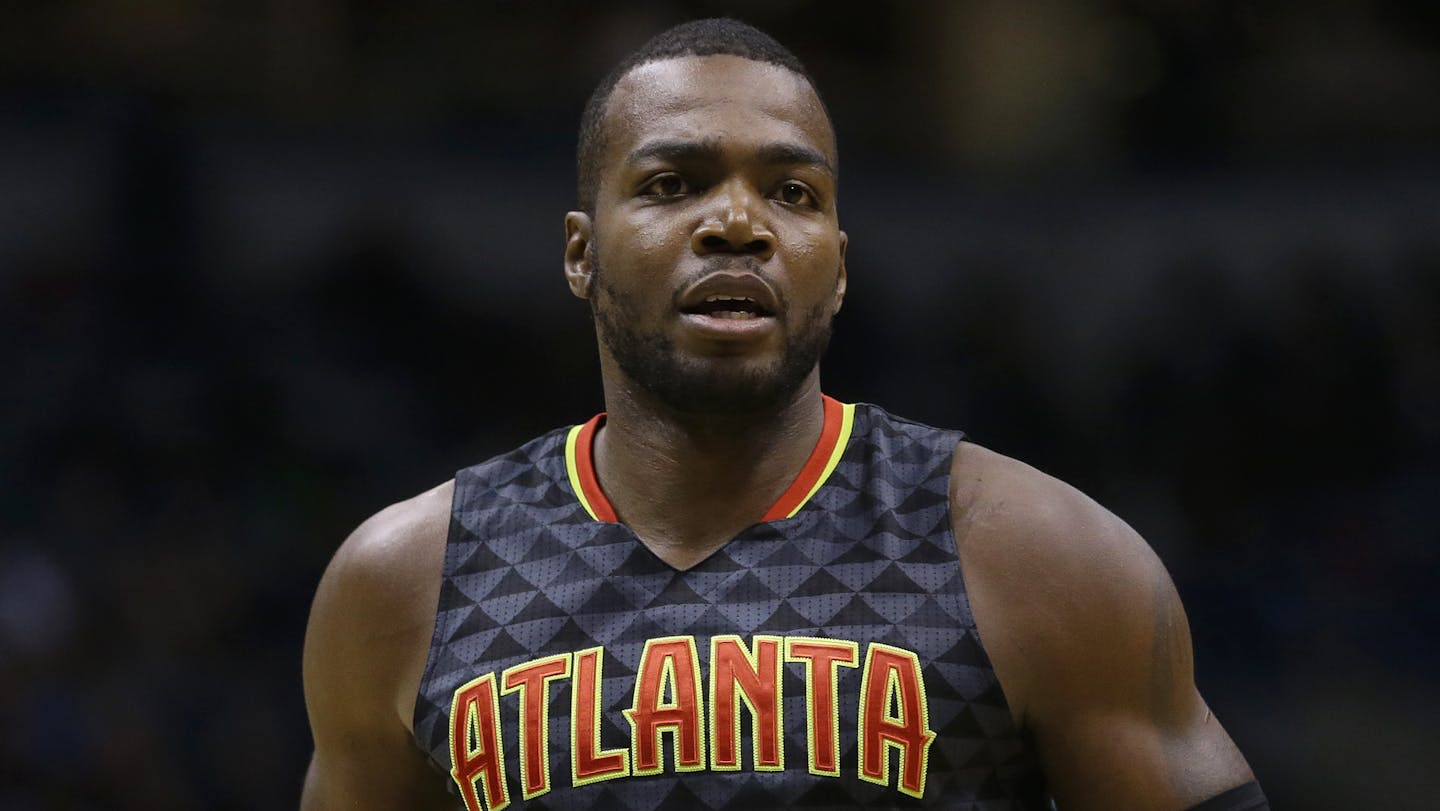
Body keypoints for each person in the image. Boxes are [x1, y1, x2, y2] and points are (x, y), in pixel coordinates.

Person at [300, 18, 1267, 811]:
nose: (737, 223)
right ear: (581, 253)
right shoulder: (404, 581)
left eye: (792, 192)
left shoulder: (1036, 554)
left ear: (837, 266)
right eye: (672, 184)